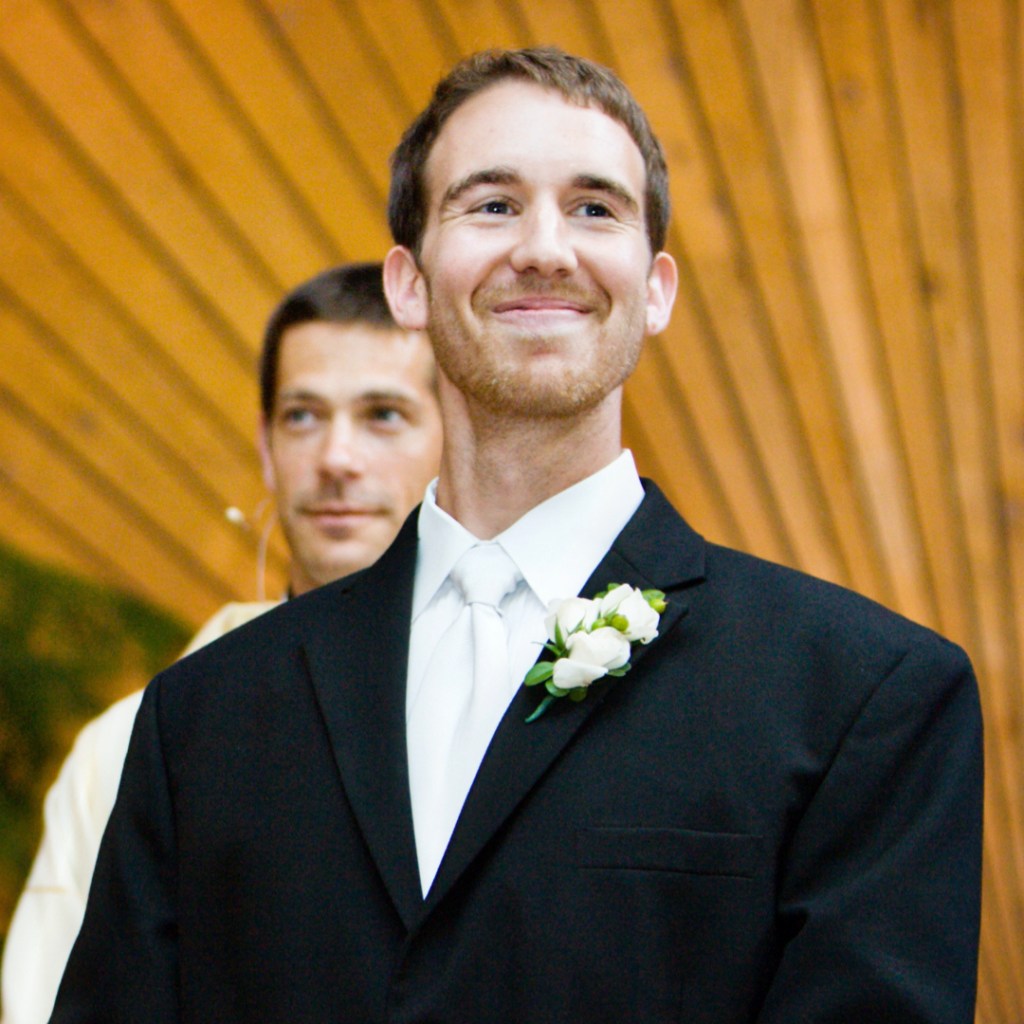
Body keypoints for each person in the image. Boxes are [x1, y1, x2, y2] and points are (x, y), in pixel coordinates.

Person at [50, 48, 983, 1023]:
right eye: (492, 205)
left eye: (595, 209)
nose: (544, 248)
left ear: (656, 289)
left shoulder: (863, 700)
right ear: (409, 285)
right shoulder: (202, 717)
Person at [1, 263, 442, 1024]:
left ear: (454, 439)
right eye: (302, 416)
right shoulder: (129, 747)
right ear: (266, 449)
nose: (336, 458)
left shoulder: (508, 703)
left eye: (383, 415)